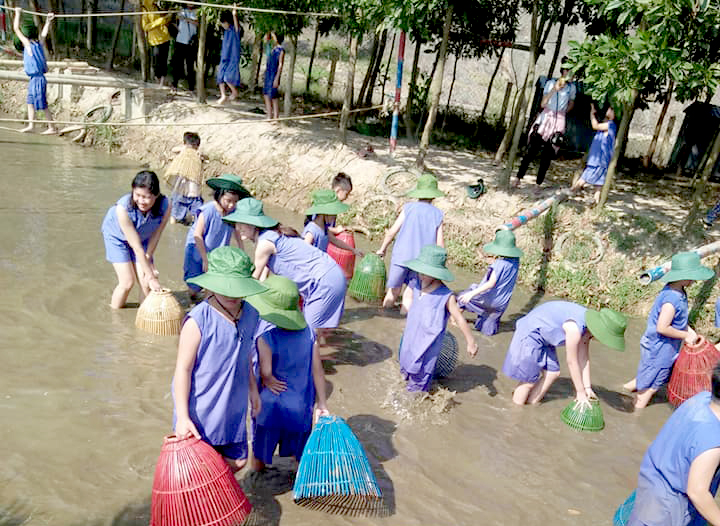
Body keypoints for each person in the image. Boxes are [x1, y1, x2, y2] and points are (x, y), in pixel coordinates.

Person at [173, 246, 267, 472]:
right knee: (197, 464)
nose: (233, 296)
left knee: (239, 461)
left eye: (238, 290)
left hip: (232, 406)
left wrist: (254, 391)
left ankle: (213, 490)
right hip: (202, 407)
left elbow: (245, 355)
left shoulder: (252, 314)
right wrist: (183, 416)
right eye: (227, 290)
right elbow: (182, 370)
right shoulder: (198, 320)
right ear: (212, 285)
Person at [224, 198, 346, 335]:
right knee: (316, 331)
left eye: (243, 224)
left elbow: (253, 281)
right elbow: (263, 278)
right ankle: (319, 353)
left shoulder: (264, 243)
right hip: (330, 275)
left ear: (255, 225)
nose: (238, 228)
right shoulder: (272, 234)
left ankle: (312, 354)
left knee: (307, 334)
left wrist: (231, 306)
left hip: (324, 281)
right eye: (237, 224)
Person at [246, 275, 329, 472]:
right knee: (300, 454)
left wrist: (268, 379)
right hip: (299, 406)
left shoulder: (265, 337)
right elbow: (318, 370)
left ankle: (257, 478)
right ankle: (302, 484)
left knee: (260, 453)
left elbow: (265, 370)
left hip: (270, 406)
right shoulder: (310, 334)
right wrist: (322, 402)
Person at [626, 363, 720, 526]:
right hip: (670, 511)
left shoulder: (701, 399)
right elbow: (697, 492)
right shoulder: (713, 442)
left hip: (651, 486)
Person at [623, 251, 713, 409]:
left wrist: (691, 334)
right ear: (683, 276)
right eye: (692, 276)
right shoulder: (672, 299)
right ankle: (636, 412)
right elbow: (662, 327)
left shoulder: (675, 291)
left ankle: (621, 391)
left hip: (658, 348)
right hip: (660, 349)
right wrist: (685, 335)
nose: (694, 280)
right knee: (649, 388)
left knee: (645, 375)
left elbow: (677, 322)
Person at [502, 301, 627, 405]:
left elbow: (583, 358)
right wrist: (580, 392)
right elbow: (572, 362)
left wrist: (587, 388)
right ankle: (516, 413)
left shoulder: (587, 329)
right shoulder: (575, 329)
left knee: (553, 372)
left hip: (546, 336)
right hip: (531, 332)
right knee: (528, 381)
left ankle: (531, 404)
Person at [398, 245, 478, 392]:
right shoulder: (416, 283)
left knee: (417, 387)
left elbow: (459, 319)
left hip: (426, 349)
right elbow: (408, 296)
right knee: (404, 373)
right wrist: (408, 308)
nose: (421, 275)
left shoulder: (446, 296)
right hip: (410, 342)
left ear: (437, 273)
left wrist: (471, 341)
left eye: (426, 273)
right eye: (420, 271)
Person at [101, 171, 170, 309]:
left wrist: (149, 257)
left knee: (145, 283)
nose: (141, 201)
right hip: (117, 237)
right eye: (137, 195)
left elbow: (157, 233)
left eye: (146, 197)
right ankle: (115, 316)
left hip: (143, 236)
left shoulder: (166, 204)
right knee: (127, 282)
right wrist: (151, 275)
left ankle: (144, 318)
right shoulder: (122, 209)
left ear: (156, 195)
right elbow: (136, 247)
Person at [377, 173, 444, 312]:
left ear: (418, 192)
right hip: (421, 262)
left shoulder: (408, 208)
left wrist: (382, 249)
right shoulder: (437, 214)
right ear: (434, 195)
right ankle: (402, 326)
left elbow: (391, 232)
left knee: (393, 292)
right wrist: (439, 267)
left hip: (400, 257)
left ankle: (385, 318)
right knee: (409, 295)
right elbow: (440, 245)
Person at [183, 174, 250, 301]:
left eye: (235, 202)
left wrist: (242, 251)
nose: (231, 205)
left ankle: (209, 301)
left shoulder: (233, 213)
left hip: (217, 251)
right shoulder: (207, 211)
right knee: (193, 287)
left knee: (214, 283)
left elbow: (236, 232)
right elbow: (197, 235)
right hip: (197, 248)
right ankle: (194, 295)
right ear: (219, 196)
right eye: (228, 201)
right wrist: (204, 259)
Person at [513, 62, 576, 188]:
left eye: (572, 72)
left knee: (548, 153)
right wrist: (555, 89)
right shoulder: (551, 83)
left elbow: (571, 104)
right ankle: (518, 177)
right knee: (531, 150)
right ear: (563, 71)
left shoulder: (572, 88)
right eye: (567, 71)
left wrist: (562, 113)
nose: (569, 74)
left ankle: (538, 183)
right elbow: (542, 104)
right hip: (546, 118)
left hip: (559, 120)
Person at [457, 229, 523, 336]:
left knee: (462, 298)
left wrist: (471, 294)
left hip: (487, 300)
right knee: (487, 330)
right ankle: (487, 327)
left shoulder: (498, 264)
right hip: (501, 304)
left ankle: (454, 321)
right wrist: (505, 231)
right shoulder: (516, 261)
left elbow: (490, 284)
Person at [13, 7, 56, 134]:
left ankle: (52, 127)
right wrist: (48, 21)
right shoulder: (39, 43)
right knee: (30, 102)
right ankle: (31, 125)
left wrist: (17, 13)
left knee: (42, 103)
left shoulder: (28, 44)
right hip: (33, 79)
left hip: (38, 79)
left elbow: (16, 29)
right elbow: (44, 33)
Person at [570, 104, 618, 204]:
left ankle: (571, 191)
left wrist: (592, 114)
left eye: (611, 109)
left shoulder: (611, 125)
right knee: (599, 183)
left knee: (585, 177)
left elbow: (595, 126)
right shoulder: (608, 125)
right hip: (600, 160)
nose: (609, 110)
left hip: (599, 160)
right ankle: (595, 200)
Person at [302, 189, 360, 257]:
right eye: (333, 213)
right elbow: (303, 252)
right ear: (324, 213)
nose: (334, 216)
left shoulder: (324, 228)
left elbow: (335, 240)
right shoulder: (311, 231)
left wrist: (353, 250)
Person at [165, 131, 204, 225]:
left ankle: (186, 221)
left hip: (192, 187)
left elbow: (206, 157)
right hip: (181, 186)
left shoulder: (198, 154)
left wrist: (199, 154)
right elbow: (174, 149)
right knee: (177, 205)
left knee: (194, 207)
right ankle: (176, 221)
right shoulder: (183, 150)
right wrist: (185, 148)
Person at [141, 0, 172, 86]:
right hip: (155, 40)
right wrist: (158, 22)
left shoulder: (156, 7)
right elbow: (145, 27)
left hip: (165, 37)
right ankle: (157, 81)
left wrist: (168, 17)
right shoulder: (145, 9)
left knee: (163, 61)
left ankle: (162, 82)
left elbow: (164, 20)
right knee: (156, 62)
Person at [216, 7, 242, 105]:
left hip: (232, 58)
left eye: (224, 23)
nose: (223, 25)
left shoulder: (235, 31)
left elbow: (236, 25)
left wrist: (234, 14)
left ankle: (234, 92)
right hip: (224, 58)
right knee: (220, 77)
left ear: (228, 22)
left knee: (228, 78)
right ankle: (223, 95)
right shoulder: (225, 32)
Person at [171, 4, 198, 91]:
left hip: (190, 42)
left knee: (190, 65)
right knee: (177, 64)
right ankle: (175, 83)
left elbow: (198, 23)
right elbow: (176, 19)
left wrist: (187, 19)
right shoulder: (181, 10)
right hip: (180, 40)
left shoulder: (197, 11)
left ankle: (191, 87)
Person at [262, 32, 284, 120]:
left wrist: (277, 78)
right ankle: (269, 116)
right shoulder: (270, 48)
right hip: (268, 73)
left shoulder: (280, 50)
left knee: (273, 96)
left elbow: (280, 65)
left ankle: (276, 117)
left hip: (274, 74)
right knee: (266, 94)